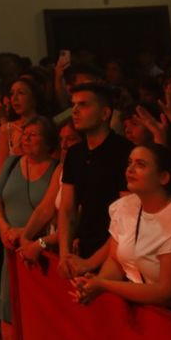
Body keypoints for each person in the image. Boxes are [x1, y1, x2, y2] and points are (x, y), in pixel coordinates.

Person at [71, 143, 171, 331]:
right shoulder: (126, 207)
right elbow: (116, 260)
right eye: (130, 163)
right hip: (146, 315)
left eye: (141, 164)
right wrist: (94, 285)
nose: (130, 169)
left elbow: (169, 294)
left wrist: (103, 285)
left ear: (164, 177)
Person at [0, 115, 62, 340]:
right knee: (8, 306)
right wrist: (5, 228)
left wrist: (26, 235)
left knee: (40, 310)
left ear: (49, 142)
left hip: (40, 250)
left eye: (33, 135)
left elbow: (48, 209)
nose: (26, 139)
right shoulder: (12, 163)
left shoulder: (57, 170)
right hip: (11, 248)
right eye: (24, 134)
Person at [56, 82, 133, 276]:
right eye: (73, 105)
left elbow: (127, 219)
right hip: (82, 249)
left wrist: (92, 262)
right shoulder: (75, 153)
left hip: (116, 256)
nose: (74, 111)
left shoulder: (124, 153)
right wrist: (64, 255)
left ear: (105, 113)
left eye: (83, 105)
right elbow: (67, 209)